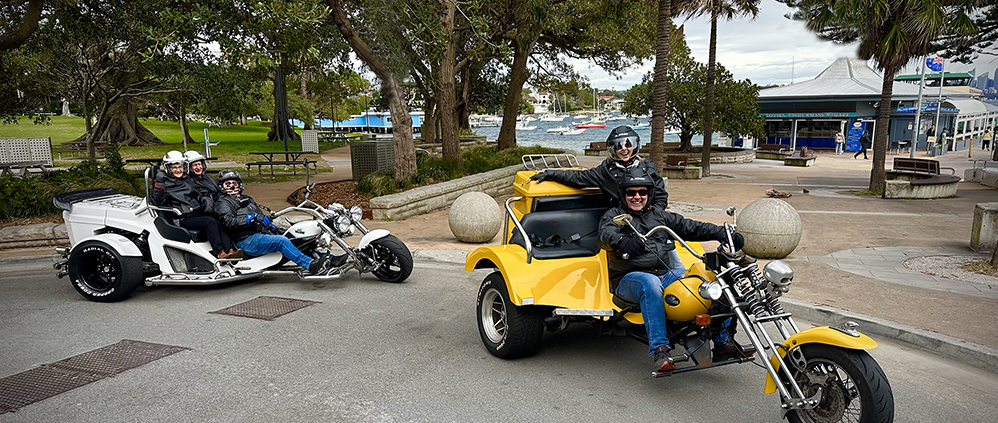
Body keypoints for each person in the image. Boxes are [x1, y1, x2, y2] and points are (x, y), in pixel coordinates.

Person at [597, 168, 748, 374]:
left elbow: (690, 226)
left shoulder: (658, 216)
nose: (637, 197)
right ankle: (660, 350)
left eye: (642, 192)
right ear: (623, 194)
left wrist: (722, 233)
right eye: (631, 192)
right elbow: (605, 234)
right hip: (629, 279)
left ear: (649, 194)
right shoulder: (614, 216)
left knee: (708, 281)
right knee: (650, 284)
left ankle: (722, 343)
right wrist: (623, 241)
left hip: (665, 273)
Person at [528, 125, 682, 276]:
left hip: (648, 217)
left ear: (635, 146)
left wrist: (655, 214)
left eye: (628, 144)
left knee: (666, 240)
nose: (624, 149)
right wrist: (549, 174)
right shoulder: (605, 172)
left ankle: (678, 272)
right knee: (623, 247)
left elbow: (661, 195)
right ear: (613, 149)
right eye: (619, 145)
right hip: (622, 221)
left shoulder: (648, 168)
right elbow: (578, 177)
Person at [213, 169, 347, 274]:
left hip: (261, 234)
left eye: (234, 183)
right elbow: (228, 221)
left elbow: (259, 216)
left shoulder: (246, 199)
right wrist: (250, 219)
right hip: (246, 240)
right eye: (228, 184)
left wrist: (267, 223)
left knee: (296, 237)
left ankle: (329, 260)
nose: (232, 186)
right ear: (222, 187)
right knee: (281, 241)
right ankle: (310, 265)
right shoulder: (223, 202)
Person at [152, 151, 239, 259]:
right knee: (210, 222)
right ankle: (220, 253)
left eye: (180, 167)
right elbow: (157, 201)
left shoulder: (187, 180)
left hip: (194, 213)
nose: (178, 170)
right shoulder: (165, 182)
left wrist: (204, 199)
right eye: (174, 167)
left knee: (217, 219)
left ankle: (230, 250)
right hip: (181, 218)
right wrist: (159, 185)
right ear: (168, 168)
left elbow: (196, 194)